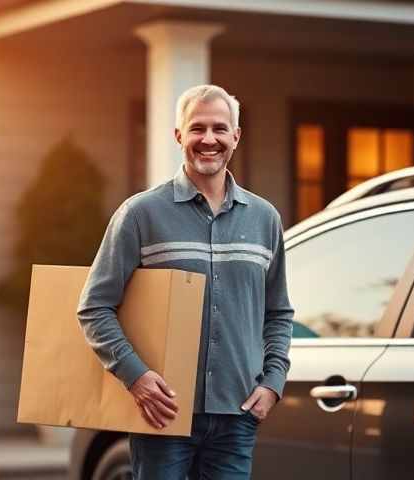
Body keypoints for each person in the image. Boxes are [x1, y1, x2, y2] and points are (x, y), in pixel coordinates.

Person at [77, 84, 294, 479]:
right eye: (197, 129)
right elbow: (94, 307)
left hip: (237, 415)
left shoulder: (265, 220)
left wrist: (273, 382)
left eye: (219, 129)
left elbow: (278, 313)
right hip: (163, 417)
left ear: (236, 137)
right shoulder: (140, 215)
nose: (208, 140)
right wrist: (137, 377)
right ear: (179, 136)